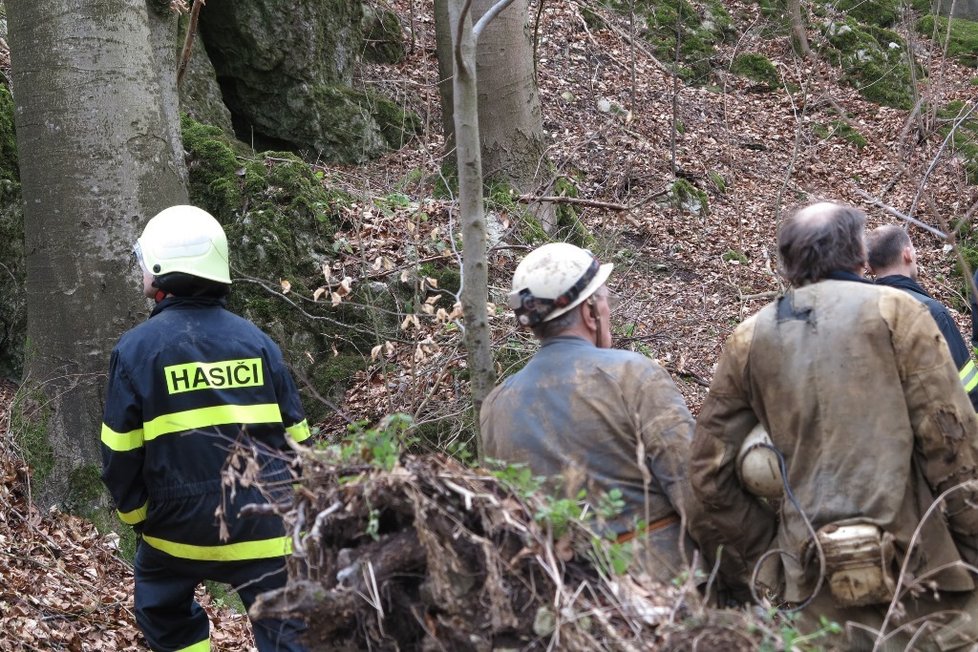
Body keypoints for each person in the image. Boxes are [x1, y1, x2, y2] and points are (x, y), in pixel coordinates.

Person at [690, 201, 978, 650]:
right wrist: (970, 549)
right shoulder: (899, 314)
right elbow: (952, 444)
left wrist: (769, 561)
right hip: (925, 589)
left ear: (787, 267)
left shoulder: (749, 340)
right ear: (860, 258)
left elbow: (709, 473)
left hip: (812, 594)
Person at [99, 205, 311, 651]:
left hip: (176, 531)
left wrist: (137, 518)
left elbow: (120, 453)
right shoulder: (257, 343)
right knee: (289, 630)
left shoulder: (136, 350)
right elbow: (300, 441)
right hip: (265, 525)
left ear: (159, 272)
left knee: (162, 609)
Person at [479, 242, 705, 584]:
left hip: (564, 598)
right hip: (664, 589)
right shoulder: (634, 376)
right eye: (606, 300)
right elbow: (695, 489)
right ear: (590, 312)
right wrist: (741, 574)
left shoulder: (496, 405)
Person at [867, 224, 978, 410]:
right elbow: (967, 386)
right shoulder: (931, 312)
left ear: (869, 266)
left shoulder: (860, 307)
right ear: (907, 254)